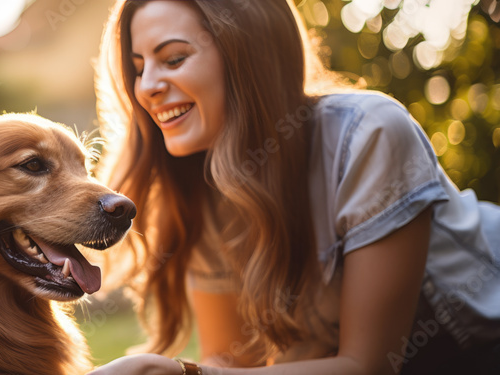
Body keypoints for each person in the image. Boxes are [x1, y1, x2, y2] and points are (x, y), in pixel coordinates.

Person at [89, 0, 500, 374]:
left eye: (174, 59)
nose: (146, 87)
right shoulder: (195, 186)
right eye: (139, 68)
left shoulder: (369, 134)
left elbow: (368, 365)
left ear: (247, 52)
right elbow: (232, 361)